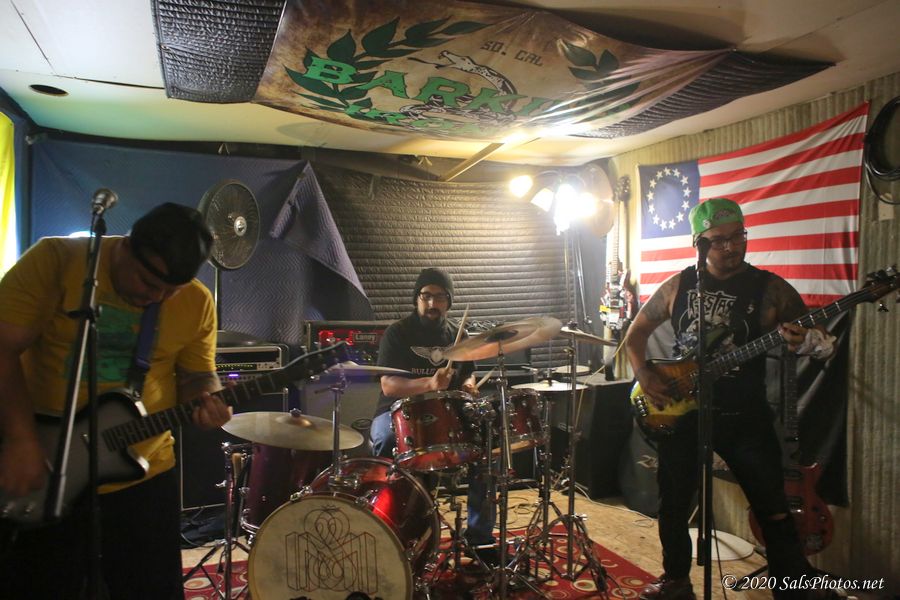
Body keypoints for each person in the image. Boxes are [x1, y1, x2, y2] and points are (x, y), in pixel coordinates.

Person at [0, 202, 232, 599]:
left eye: (171, 291)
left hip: (145, 470)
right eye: (148, 281)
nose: (156, 296)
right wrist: (20, 441)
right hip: (45, 461)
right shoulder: (57, 261)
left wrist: (206, 396)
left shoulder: (196, 301)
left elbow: (197, 374)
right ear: (124, 246)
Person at [623, 198, 835, 600]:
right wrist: (644, 374)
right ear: (699, 243)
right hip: (683, 412)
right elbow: (635, 335)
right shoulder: (679, 285)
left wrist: (809, 340)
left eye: (738, 236)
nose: (732, 246)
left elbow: (821, 340)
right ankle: (676, 581)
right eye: (719, 240)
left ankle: (793, 586)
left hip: (744, 415)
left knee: (772, 504)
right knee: (673, 504)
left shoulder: (769, 288)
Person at [370, 267, 497, 565]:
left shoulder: (458, 335)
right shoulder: (398, 333)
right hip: (398, 413)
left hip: (445, 414)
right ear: (416, 299)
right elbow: (388, 386)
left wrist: (468, 385)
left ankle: (480, 539)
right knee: (385, 439)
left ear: (448, 302)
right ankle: (393, 527)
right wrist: (428, 383)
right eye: (426, 296)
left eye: (439, 297)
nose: (432, 303)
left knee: (488, 445)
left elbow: (467, 373)